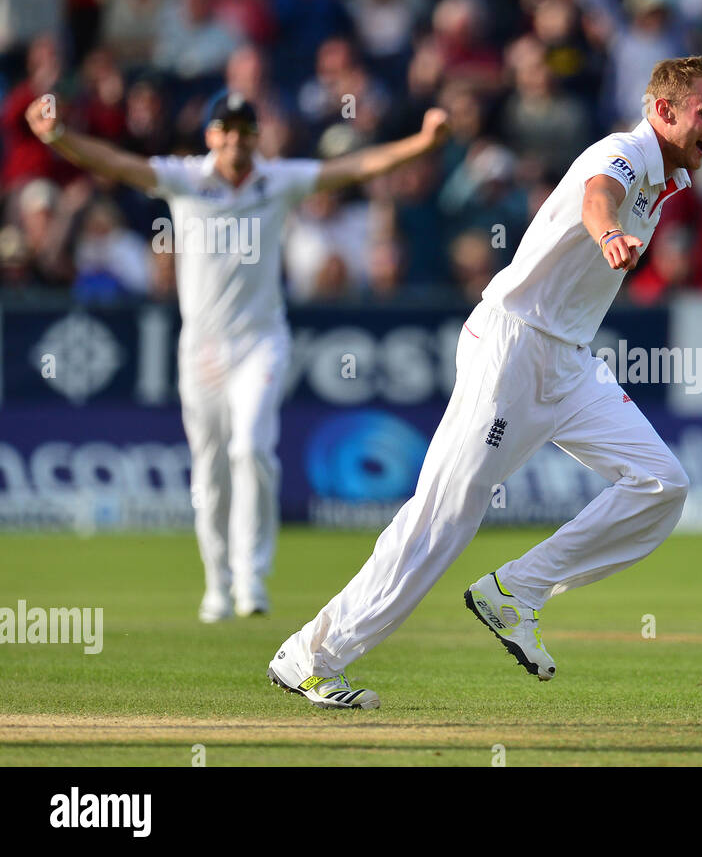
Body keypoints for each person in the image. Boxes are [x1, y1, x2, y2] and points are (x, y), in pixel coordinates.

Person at [268, 56, 702, 709]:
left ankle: (516, 590)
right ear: (663, 111)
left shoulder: (666, 178)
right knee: (444, 516)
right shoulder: (624, 150)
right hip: (512, 345)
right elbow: (600, 195)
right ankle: (309, 655)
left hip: (568, 361)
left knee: (662, 483)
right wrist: (610, 234)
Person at [27, 90, 451, 622]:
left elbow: (355, 166)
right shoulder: (186, 178)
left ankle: (252, 577)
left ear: (256, 137)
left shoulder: (278, 180)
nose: (234, 140)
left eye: (243, 130)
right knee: (210, 466)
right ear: (210, 137)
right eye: (224, 130)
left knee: (251, 447)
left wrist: (422, 142)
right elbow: (116, 163)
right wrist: (60, 137)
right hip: (200, 348)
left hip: (261, 341)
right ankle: (216, 583)